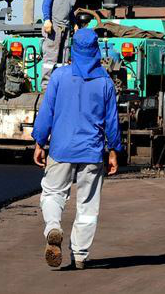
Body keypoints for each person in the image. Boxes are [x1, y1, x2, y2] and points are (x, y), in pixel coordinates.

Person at [32, 28, 121, 270]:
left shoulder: (60, 77)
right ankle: (80, 255)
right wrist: (113, 151)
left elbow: (46, 113)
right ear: (96, 51)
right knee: (88, 205)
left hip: (60, 149)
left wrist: (40, 142)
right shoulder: (105, 82)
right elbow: (112, 121)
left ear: (73, 48)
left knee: (52, 193)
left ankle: (53, 228)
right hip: (92, 152)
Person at [40, 0, 84, 90]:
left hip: (66, 27)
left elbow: (69, 9)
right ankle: (46, 86)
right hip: (54, 28)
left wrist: (74, 23)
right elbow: (46, 3)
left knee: (63, 58)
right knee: (50, 58)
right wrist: (47, 19)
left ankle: (60, 84)